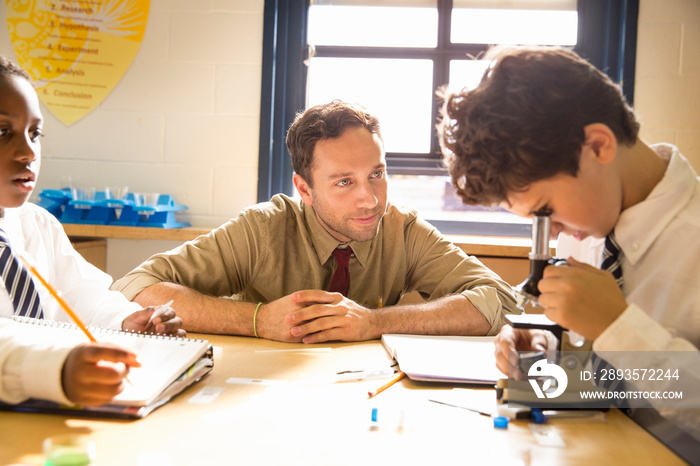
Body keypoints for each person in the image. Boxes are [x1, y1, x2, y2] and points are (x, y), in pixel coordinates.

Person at [438, 46, 699, 461]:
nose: (552, 231)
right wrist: (542, 363)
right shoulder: (585, 228)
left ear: (597, 145)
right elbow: (610, 390)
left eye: (546, 210)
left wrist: (618, 328)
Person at [111, 100, 519, 343]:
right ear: (303, 189)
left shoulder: (403, 230)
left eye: (376, 174)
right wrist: (257, 321)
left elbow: (501, 300)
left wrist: (375, 322)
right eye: (344, 182)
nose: (370, 198)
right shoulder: (263, 228)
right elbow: (133, 288)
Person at [0, 56, 184, 407]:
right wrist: (52, 368)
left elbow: (82, 294)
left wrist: (127, 320)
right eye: (2, 132)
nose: (28, 152)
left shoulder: (36, 223)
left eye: (34, 133)